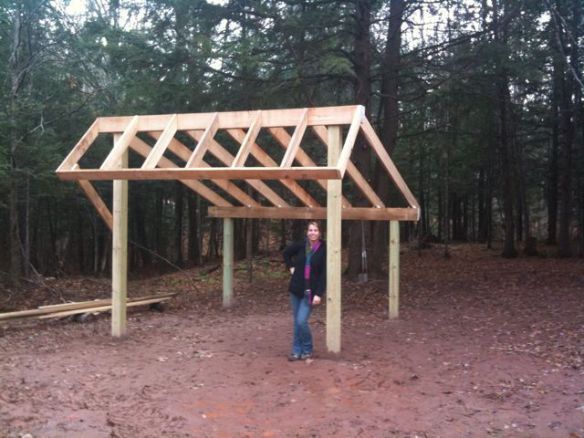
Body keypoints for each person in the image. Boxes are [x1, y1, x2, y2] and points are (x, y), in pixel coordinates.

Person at [282, 221, 326, 361]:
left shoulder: (324, 249)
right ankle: (296, 351)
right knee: (297, 321)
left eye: (315, 230)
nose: (312, 233)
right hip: (296, 288)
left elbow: (324, 274)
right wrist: (291, 267)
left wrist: (319, 293)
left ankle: (307, 348)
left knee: (301, 321)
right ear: (307, 232)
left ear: (320, 232)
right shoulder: (301, 245)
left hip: (310, 292)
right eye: (310, 230)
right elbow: (286, 253)